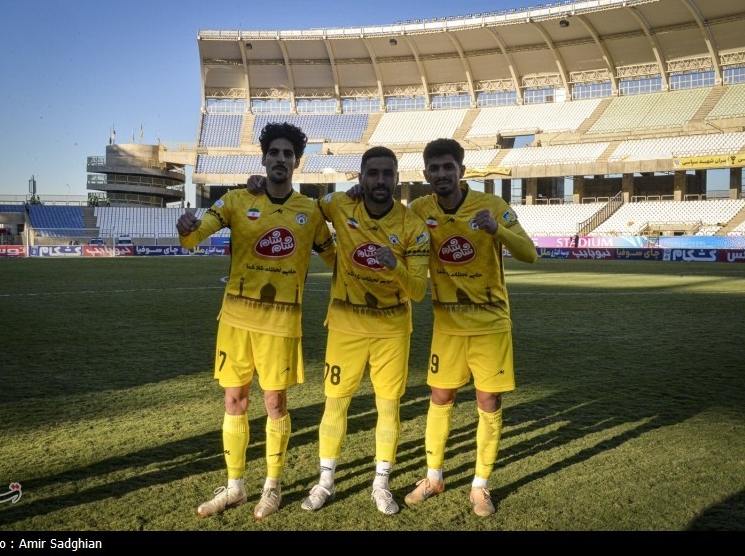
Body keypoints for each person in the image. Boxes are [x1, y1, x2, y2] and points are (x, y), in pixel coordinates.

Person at [247, 147, 430, 515]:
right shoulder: (339, 204)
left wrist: (395, 266)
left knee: (388, 406)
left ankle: (381, 484)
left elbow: (419, 291)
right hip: (345, 327)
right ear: (360, 178)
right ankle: (325, 481)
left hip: (393, 331)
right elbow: (303, 207)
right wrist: (260, 186)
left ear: (398, 179)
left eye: (387, 174)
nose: (380, 180)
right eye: (373, 173)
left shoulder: (414, 226)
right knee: (335, 404)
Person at [177, 122, 336, 520]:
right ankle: (235, 487)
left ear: (297, 163)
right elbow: (195, 238)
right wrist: (187, 228)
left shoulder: (310, 212)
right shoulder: (236, 200)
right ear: (264, 159)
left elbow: (335, 258)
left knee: (275, 403)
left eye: (288, 154)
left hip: (281, 324)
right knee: (235, 401)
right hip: (235, 319)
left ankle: (272, 486)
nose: (281, 159)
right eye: (274, 152)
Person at [404, 138, 538, 517]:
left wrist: (497, 230)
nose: (442, 174)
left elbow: (530, 253)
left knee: (488, 401)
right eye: (434, 168)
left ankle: (480, 484)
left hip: (490, 323)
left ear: (461, 171)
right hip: (447, 325)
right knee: (440, 397)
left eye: (448, 167)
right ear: (426, 174)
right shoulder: (419, 210)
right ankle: (433, 477)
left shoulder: (492, 206)